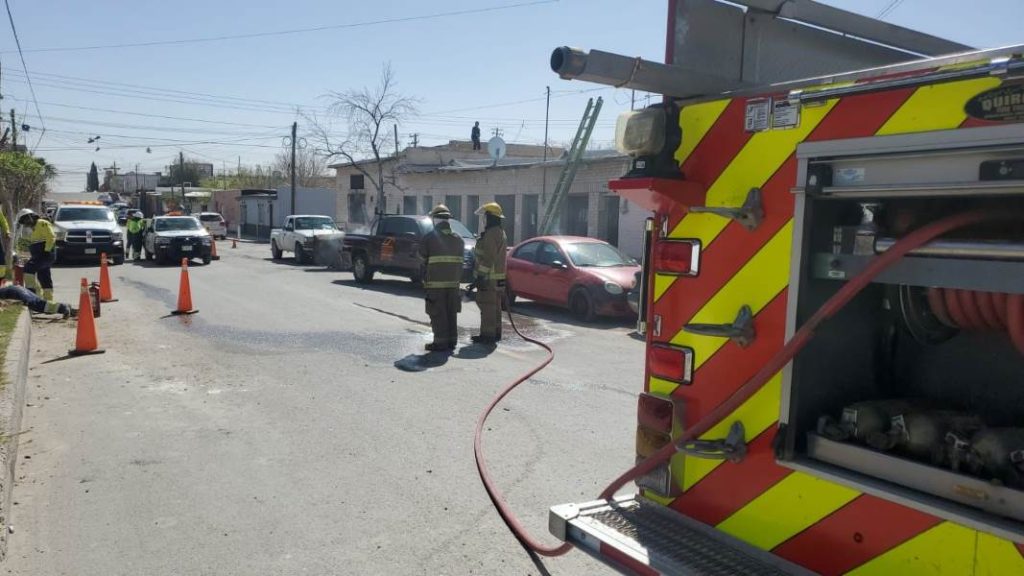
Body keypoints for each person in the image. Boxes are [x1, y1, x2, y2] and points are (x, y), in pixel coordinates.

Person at [419, 204, 465, 352]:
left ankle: (440, 343)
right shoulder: (459, 239)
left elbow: (421, 257)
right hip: (454, 284)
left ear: (435, 220)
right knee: (451, 313)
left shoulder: (429, 238)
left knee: (438, 314)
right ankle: (452, 341)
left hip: (435, 284)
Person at [472, 202, 508, 345]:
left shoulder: (491, 234)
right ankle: (496, 332)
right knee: (496, 306)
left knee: (487, 305)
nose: (484, 220)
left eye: (486, 216)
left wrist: (481, 276)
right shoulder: (500, 232)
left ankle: (487, 335)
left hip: (489, 279)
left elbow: (488, 258)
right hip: (498, 278)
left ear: (490, 217)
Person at [16, 209, 56, 301]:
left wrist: (47, 251)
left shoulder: (42, 223)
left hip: (45, 254)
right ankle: (48, 301)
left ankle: (31, 295)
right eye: (24, 221)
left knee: (28, 268)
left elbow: (51, 236)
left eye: (26, 219)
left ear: (31, 216)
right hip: (39, 255)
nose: (26, 222)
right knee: (44, 277)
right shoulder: (33, 229)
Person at [0, 284, 72, 318]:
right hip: (16, 289)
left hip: (15, 292)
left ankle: (63, 308)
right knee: (38, 301)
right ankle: (63, 306)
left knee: (37, 304)